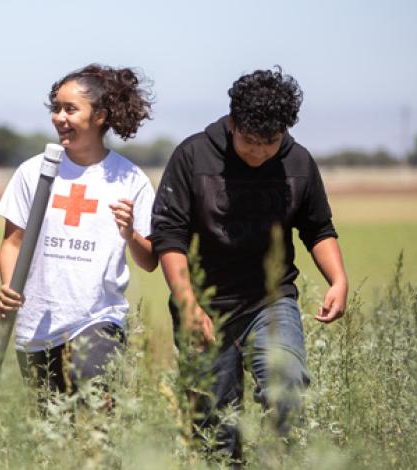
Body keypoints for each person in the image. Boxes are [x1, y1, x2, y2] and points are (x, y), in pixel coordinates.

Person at [148, 67, 348, 463]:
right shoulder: (193, 156)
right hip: (204, 304)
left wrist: (338, 279)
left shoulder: (299, 162)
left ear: (284, 132)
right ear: (233, 121)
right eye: (249, 141)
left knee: (287, 388)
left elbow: (318, 227)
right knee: (213, 432)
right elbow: (168, 235)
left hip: (269, 302)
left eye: (270, 142)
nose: (258, 152)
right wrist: (189, 305)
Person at [0, 64, 158, 397]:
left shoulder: (129, 178)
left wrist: (130, 234)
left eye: (70, 109)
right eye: (55, 108)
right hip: (35, 327)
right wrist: (10, 288)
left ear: (99, 116)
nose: (59, 118)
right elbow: (12, 244)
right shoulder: (33, 172)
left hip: (97, 320)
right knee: (47, 433)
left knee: (93, 411)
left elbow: (150, 259)